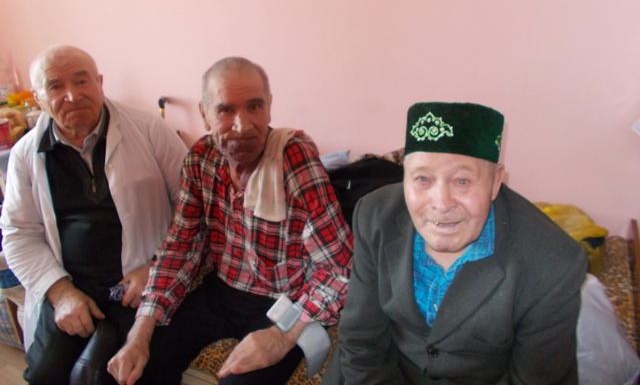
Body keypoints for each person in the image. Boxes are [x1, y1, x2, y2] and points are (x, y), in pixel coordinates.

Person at [108, 56, 353, 385]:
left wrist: (281, 336)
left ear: (269, 107)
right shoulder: (200, 159)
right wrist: (140, 332)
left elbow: (339, 270)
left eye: (254, 106)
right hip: (220, 291)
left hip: (283, 300)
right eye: (225, 110)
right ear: (204, 114)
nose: (242, 125)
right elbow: (179, 248)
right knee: (140, 366)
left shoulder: (294, 161)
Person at [323, 102, 588, 385]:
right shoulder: (375, 216)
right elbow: (362, 339)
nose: (442, 203)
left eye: (462, 181)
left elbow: (534, 379)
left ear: (495, 182)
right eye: (422, 179)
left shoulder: (554, 264)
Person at [0, 45, 188, 384]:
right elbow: (18, 234)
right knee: (44, 375)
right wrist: (61, 293)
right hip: (70, 287)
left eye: (81, 80)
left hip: (137, 286)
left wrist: (155, 265)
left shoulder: (147, 128)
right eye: (55, 86)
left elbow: (193, 208)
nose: (73, 95)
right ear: (39, 99)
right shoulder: (25, 155)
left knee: (94, 375)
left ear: (99, 82)